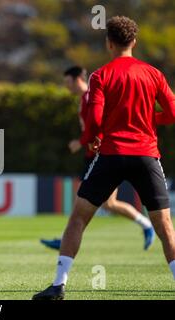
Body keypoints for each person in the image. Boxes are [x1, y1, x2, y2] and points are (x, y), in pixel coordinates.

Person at [33, 16, 175, 300]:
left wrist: (98, 134)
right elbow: (172, 114)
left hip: (110, 154)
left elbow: (95, 119)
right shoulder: (153, 74)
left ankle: (59, 285)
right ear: (134, 42)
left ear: (108, 42)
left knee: (78, 219)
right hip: (146, 155)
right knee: (164, 224)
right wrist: (150, 119)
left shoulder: (101, 75)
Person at [40, 66, 155, 251]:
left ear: (78, 79)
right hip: (94, 155)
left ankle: (65, 240)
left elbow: (96, 125)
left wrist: (82, 141)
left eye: (67, 82)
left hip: (101, 156)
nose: (66, 86)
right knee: (107, 204)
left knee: (86, 200)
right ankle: (146, 225)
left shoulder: (89, 97)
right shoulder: (84, 98)